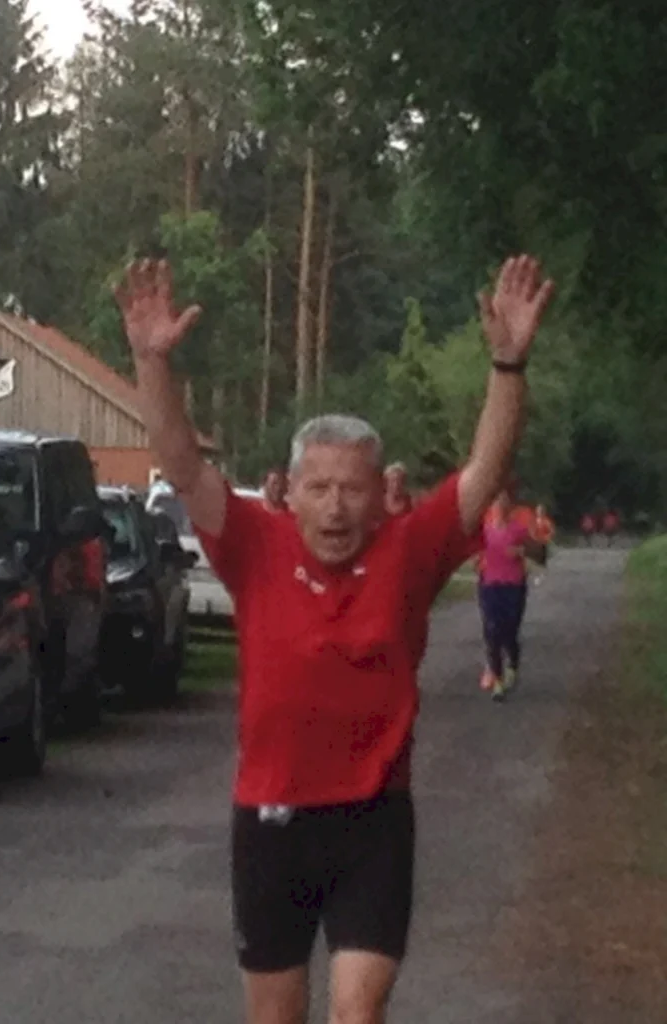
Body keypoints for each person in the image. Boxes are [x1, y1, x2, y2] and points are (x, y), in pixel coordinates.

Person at [114, 254, 553, 1024]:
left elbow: (486, 468)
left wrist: (508, 364)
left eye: (354, 487)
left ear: (379, 494)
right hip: (272, 822)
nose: (338, 506)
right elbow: (181, 463)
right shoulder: (254, 542)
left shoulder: (409, 551)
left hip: (372, 822)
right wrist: (152, 359)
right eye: (320, 487)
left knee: (358, 1012)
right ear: (292, 492)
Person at [477, 489, 546, 701]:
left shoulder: (519, 529)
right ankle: (497, 681)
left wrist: (522, 552)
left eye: (505, 503)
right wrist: (477, 561)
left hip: (514, 585)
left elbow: (541, 554)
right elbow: (473, 553)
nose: (501, 506)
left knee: (509, 632)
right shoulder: (485, 530)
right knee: (492, 631)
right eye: (498, 502)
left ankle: (513, 664)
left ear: (510, 507)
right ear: (493, 506)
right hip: (489, 584)